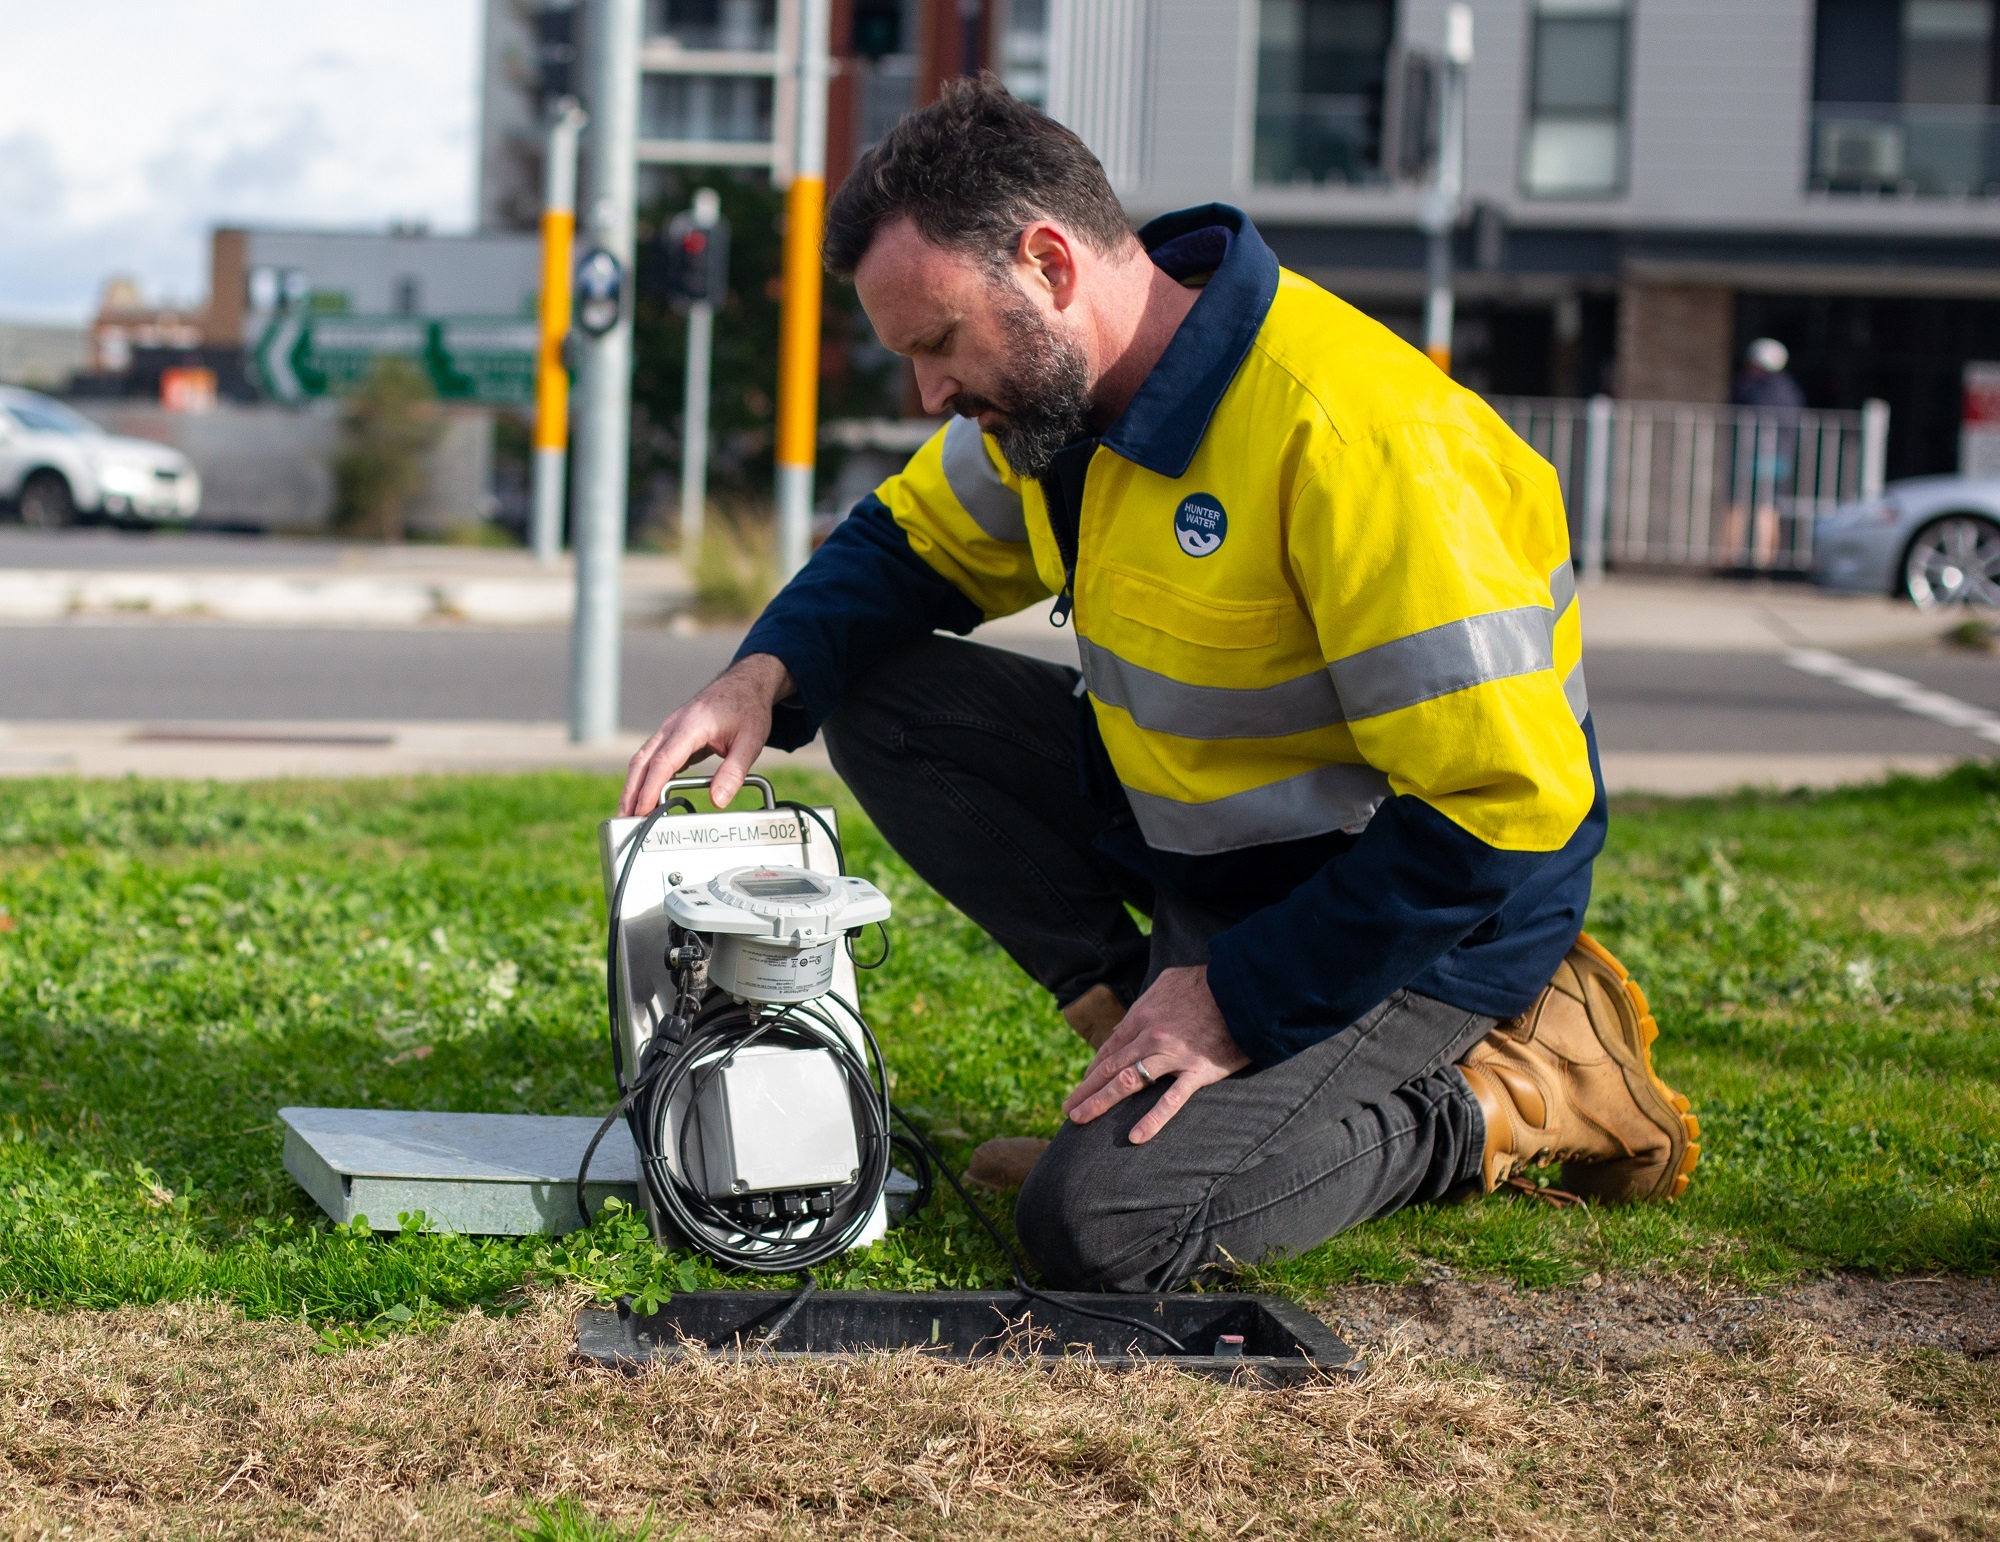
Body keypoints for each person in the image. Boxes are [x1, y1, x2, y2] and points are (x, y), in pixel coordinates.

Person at [621, 77, 1697, 1292]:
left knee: (1099, 1232)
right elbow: (903, 547)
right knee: (867, 685)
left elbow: (1500, 810)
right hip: (1213, 861)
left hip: (1427, 911)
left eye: (935, 344)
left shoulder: (1357, 437)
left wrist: (1234, 1001)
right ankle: (1144, 1060)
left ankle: (1515, 1094)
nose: (929, 397)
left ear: (1047, 264)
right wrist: (758, 676)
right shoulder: (1058, 405)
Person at [1725, 337, 1807, 568]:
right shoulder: (1790, 390)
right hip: (1779, 459)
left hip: (1751, 457)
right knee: (1768, 509)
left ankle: (1731, 562)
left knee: (1740, 506)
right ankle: (1764, 566)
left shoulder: (1751, 388)